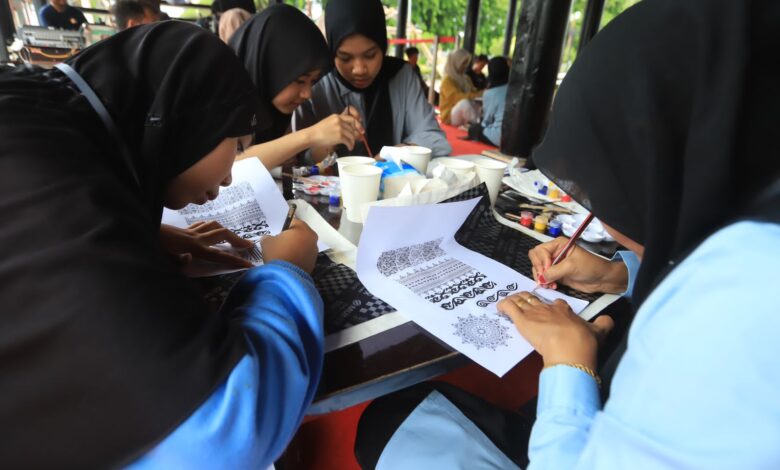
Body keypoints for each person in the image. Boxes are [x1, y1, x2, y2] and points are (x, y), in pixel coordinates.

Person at [354, 0, 780, 468]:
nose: (591, 203)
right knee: (395, 416)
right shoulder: (747, 239)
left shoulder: (740, 314)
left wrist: (569, 365)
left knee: (391, 426)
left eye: (603, 183)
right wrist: (620, 275)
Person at [0, 22, 324, 468]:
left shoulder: (45, 114)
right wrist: (287, 275)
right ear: (184, 114)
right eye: (237, 143)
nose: (231, 174)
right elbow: (224, 431)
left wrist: (133, 230)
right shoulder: (53, 179)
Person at [295, 0, 451, 159]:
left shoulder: (401, 75)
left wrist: (398, 153)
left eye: (370, 55)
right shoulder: (315, 85)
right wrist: (328, 140)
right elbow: (299, 159)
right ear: (332, 52)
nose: (359, 69)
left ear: (383, 46)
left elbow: (435, 140)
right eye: (345, 58)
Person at [230, 4, 365, 169]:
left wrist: (333, 137)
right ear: (269, 68)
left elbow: (297, 166)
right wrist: (311, 135)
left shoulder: (273, 114)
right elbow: (229, 167)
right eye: (300, 80)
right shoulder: (219, 97)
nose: (308, 94)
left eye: (313, 81)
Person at [467, 56, 509, 146]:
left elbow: (487, 120)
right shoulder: (512, 89)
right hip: (514, 136)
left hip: (499, 138)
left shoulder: (490, 92)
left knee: (474, 129)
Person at [439, 48, 483, 126]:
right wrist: (478, 94)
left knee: (478, 104)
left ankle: (478, 124)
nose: (465, 66)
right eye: (463, 63)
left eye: (467, 63)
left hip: (461, 113)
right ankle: (476, 127)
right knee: (464, 103)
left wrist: (482, 94)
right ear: (456, 62)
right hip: (449, 116)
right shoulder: (447, 80)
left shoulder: (466, 78)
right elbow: (457, 98)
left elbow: (473, 92)